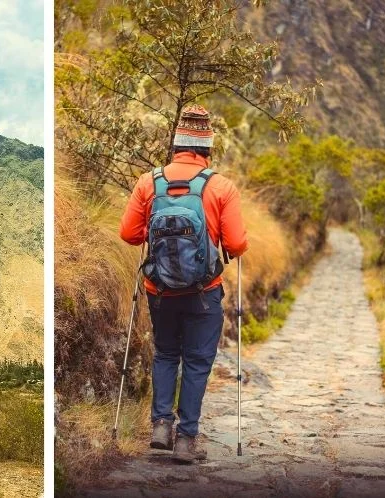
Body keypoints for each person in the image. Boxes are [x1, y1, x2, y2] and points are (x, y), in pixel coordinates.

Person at [119, 105, 248, 463]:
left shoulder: (149, 182)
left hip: (158, 290)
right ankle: (186, 441)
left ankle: (161, 426)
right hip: (203, 293)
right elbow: (236, 245)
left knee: (165, 353)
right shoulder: (221, 186)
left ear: (175, 145)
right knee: (196, 361)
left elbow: (128, 234)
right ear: (207, 147)